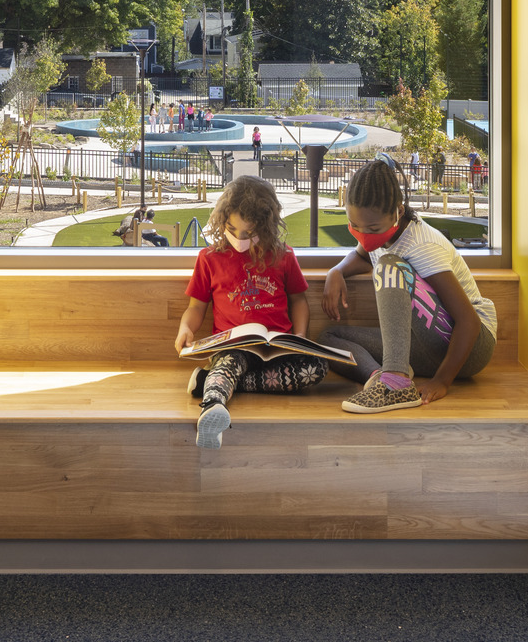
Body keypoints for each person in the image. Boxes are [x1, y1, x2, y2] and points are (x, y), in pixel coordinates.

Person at [319, 158, 496, 414]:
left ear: (398, 213)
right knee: (328, 340)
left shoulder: (421, 245)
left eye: (372, 228)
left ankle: (396, 383)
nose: (364, 235)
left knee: (390, 265)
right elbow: (361, 255)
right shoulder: (383, 233)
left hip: (471, 346)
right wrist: (336, 271)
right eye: (354, 226)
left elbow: (469, 321)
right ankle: (382, 379)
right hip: (425, 346)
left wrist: (442, 381)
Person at [172, 176, 316, 448]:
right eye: (231, 229)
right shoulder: (209, 258)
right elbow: (196, 307)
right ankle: (212, 408)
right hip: (233, 348)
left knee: (317, 368)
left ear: (266, 227)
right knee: (228, 364)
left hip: (278, 350)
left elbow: (298, 300)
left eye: (248, 234)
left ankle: (210, 381)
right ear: (221, 221)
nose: (239, 239)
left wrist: (300, 337)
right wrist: (186, 329)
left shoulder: (283, 256)